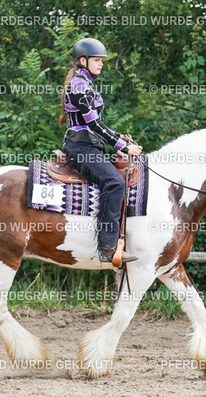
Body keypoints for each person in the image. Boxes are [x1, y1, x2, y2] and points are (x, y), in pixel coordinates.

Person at [60, 38, 142, 264]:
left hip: (89, 145)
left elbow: (96, 125)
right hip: (80, 147)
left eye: (102, 60)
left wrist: (118, 137)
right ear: (83, 61)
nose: (101, 64)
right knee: (115, 183)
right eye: (97, 60)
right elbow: (94, 125)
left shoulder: (85, 84)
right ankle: (107, 248)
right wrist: (123, 147)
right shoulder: (79, 86)